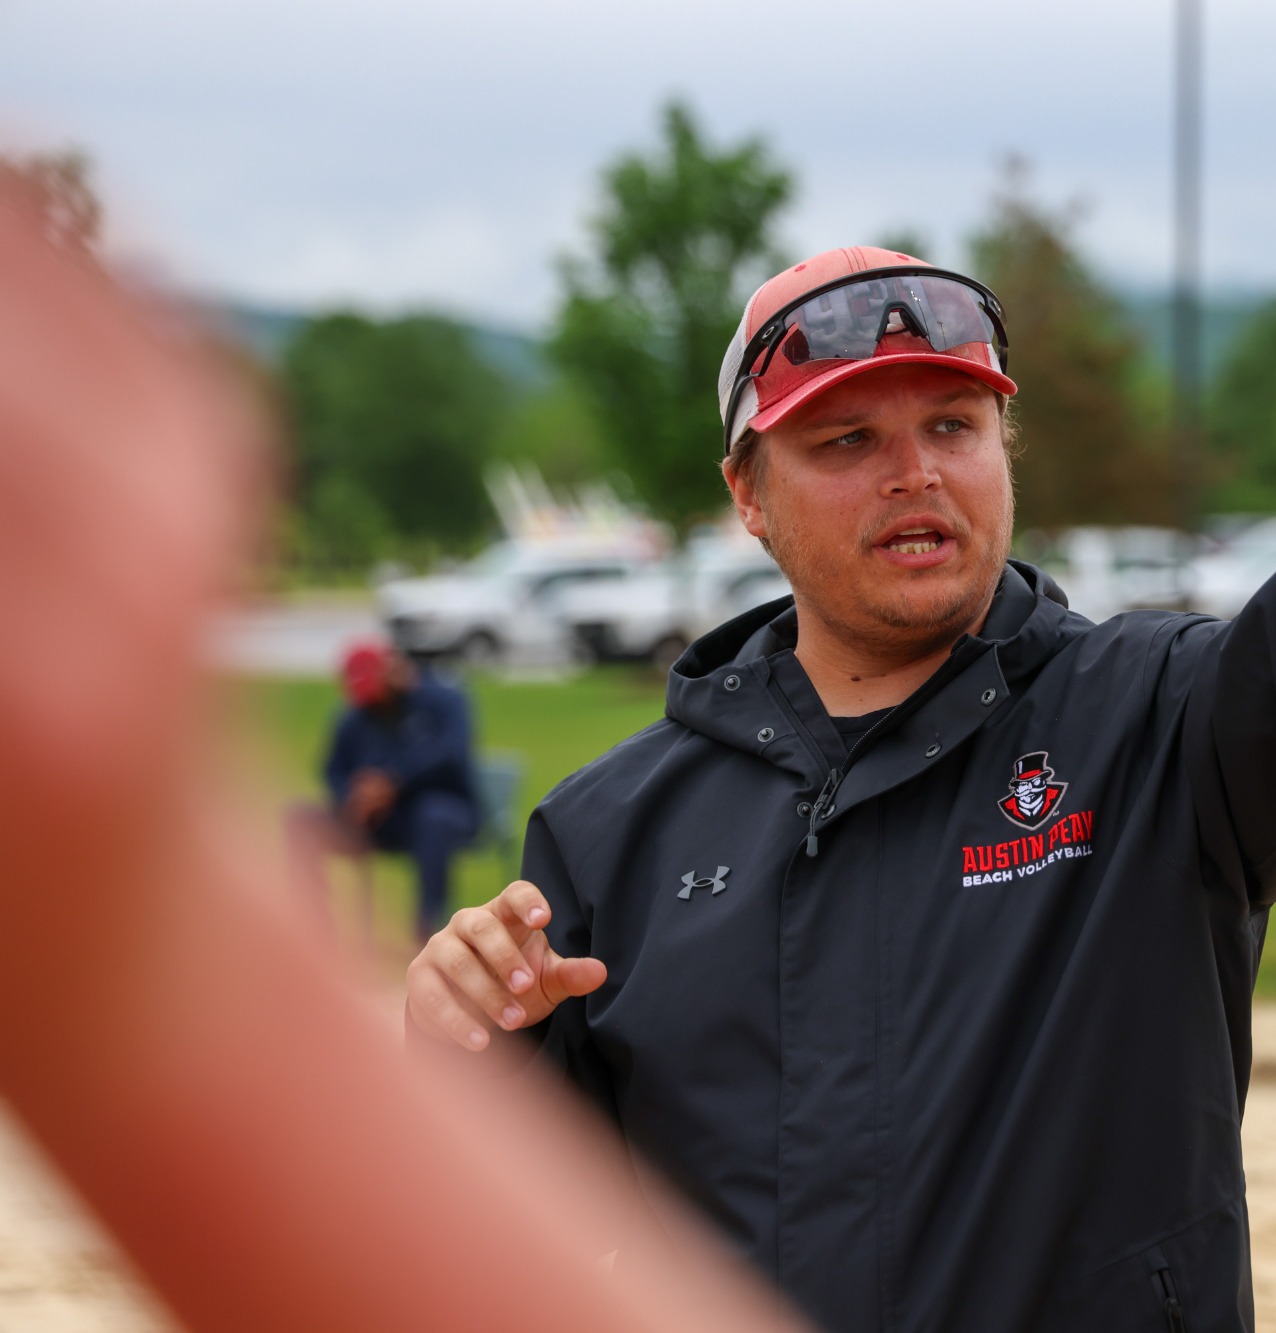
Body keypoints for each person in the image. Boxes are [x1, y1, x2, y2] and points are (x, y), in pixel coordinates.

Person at [406, 70, 1276, 1332]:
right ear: (747, 496)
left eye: (951, 423)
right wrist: (467, 1056)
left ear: (1001, 448)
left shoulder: (1155, 725)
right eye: (844, 442)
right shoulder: (611, 836)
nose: (915, 472)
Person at [0, 168, 804, 1333]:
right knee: (313, 827)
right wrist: (347, 793)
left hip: (427, 813)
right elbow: (336, 776)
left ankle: (376, 922)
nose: (370, 694)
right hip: (322, 865)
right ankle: (360, 942)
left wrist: (365, 793)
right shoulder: (471, 759)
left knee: (430, 825)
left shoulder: (433, 709)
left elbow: (439, 770)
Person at [289, 639, 480, 942]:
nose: (372, 703)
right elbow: (333, 769)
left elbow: (452, 757)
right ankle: (316, 933)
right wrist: (354, 795)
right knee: (299, 818)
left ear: (395, 672)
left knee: (434, 815)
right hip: (375, 820)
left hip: (442, 811)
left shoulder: (445, 701)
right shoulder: (354, 716)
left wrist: (394, 781)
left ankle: (428, 936)